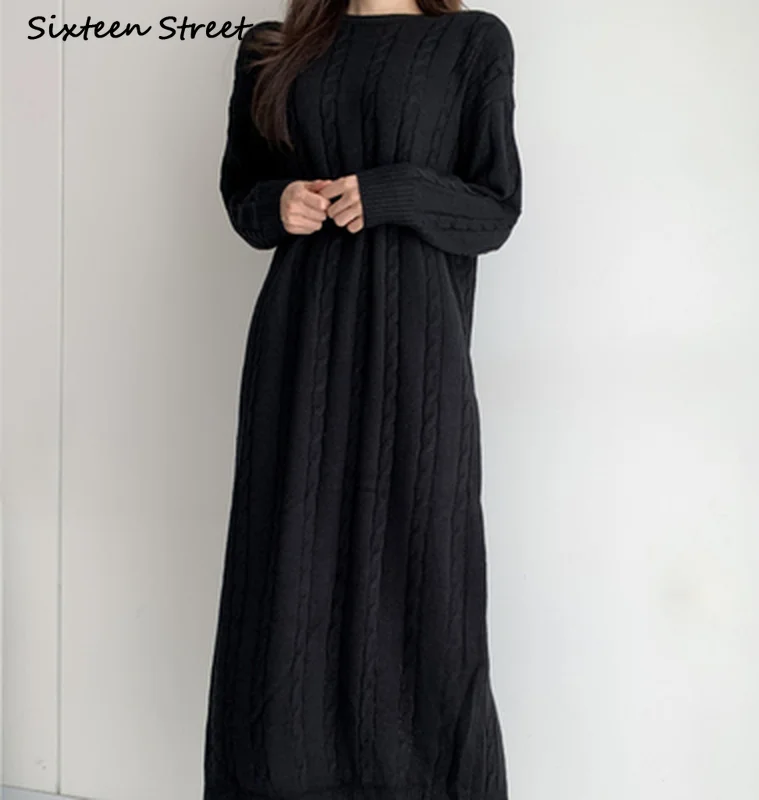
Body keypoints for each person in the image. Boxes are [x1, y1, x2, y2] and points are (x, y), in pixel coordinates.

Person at [203, 1, 522, 798]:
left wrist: (393, 191)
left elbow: (494, 208)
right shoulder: (272, 48)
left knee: (425, 567)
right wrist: (278, 204)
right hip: (298, 347)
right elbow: (243, 193)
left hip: (418, 352)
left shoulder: (472, 41)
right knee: (289, 568)